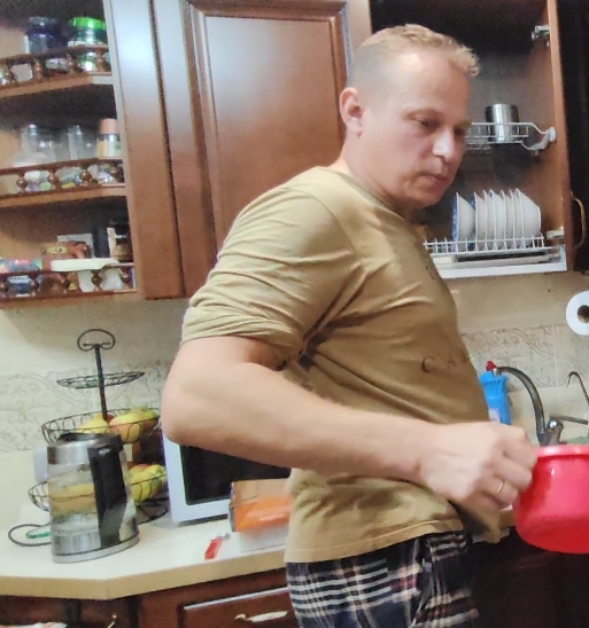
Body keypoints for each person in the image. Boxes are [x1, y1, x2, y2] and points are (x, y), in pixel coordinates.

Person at [160, 24, 537, 628]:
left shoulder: (382, 219)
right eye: (425, 123)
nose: (448, 151)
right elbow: (196, 396)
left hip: (405, 552)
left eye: (459, 130)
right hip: (382, 561)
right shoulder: (313, 209)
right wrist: (430, 450)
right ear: (355, 110)